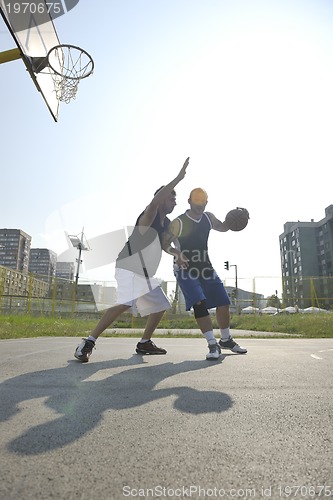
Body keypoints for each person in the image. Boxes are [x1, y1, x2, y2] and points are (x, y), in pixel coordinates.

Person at [74, 157, 190, 362]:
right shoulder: (149, 214)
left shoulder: (167, 223)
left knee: (161, 304)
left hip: (144, 274)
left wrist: (177, 254)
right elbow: (155, 201)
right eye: (172, 198)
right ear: (162, 198)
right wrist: (179, 177)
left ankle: (144, 342)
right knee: (126, 302)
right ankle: (88, 341)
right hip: (128, 266)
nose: (175, 201)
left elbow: (165, 246)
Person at [163, 187, 248, 360]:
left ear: (206, 202)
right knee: (199, 303)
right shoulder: (178, 222)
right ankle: (212, 344)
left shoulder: (208, 218)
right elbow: (164, 244)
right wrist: (177, 254)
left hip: (205, 267)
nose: (199, 203)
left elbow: (224, 227)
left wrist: (238, 217)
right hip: (186, 268)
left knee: (223, 302)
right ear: (189, 201)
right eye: (196, 200)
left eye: (203, 200)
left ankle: (226, 340)